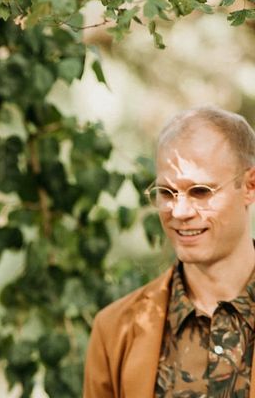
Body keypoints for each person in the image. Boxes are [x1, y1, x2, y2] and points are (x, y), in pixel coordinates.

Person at [84, 105, 255, 398]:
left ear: (250, 186)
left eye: (200, 191)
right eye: (167, 192)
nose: (179, 211)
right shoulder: (114, 330)